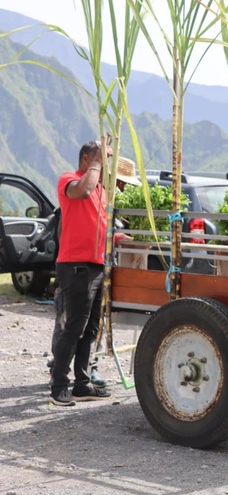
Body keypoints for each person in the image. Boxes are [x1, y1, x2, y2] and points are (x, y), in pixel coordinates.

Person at [48, 142, 130, 406]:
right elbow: (81, 192)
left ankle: (82, 384)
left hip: (96, 265)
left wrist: (124, 238)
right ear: (87, 158)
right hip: (76, 266)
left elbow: (101, 228)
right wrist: (96, 161)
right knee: (74, 327)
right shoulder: (70, 180)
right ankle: (59, 385)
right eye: (101, 160)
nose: (105, 165)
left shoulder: (102, 191)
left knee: (90, 329)